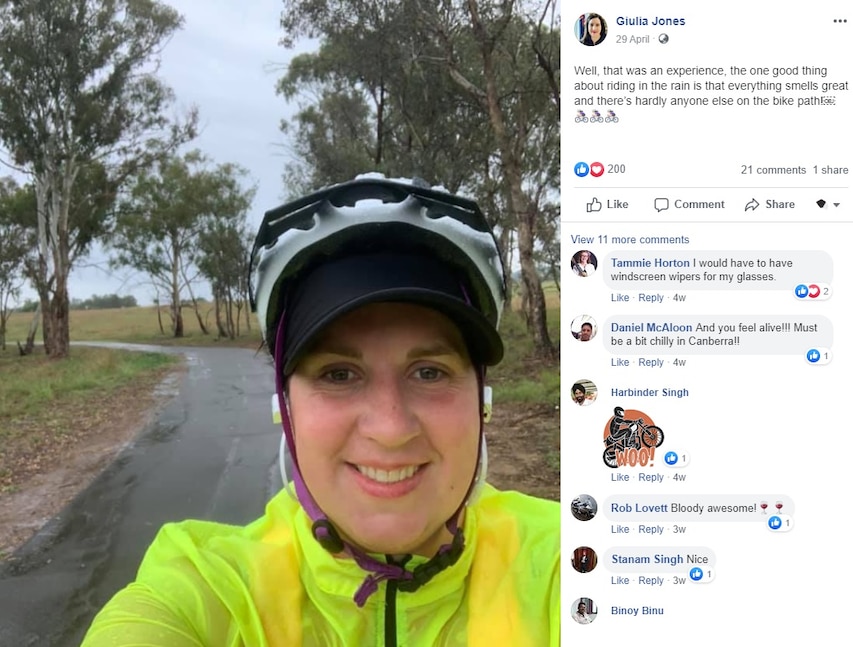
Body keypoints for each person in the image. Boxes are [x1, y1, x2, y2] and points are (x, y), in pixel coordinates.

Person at [81, 177, 560, 646]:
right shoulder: (211, 585)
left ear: (483, 400)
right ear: (284, 409)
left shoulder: (570, 560)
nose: (390, 429)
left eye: (430, 372)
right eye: (338, 374)